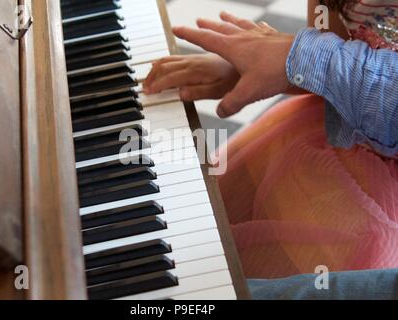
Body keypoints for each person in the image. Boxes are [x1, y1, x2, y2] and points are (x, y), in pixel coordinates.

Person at [143, 0, 398, 298]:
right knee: (197, 263)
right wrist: (270, 66)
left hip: (368, 204)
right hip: (316, 144)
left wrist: (304, 56)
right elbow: (335, 47)